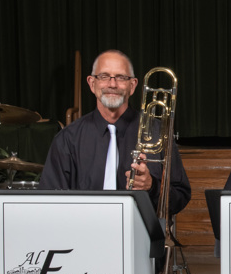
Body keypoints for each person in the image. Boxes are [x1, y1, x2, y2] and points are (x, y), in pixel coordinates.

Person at [39, 49, 191, 216]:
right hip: (84, 236)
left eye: (121, 77)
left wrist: (152, 187)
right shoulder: (67, 139)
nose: (112, 84)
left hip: (143, 238)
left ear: (132, 86)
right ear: (91, 83)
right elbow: (50, 201)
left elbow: (181, 196)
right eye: (104, 76)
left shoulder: (157, 132)